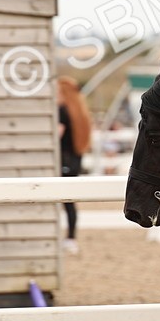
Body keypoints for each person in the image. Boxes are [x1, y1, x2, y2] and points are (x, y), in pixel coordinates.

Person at [58, 77, 92, 254]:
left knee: (63, 201)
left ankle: (68, 238)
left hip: (63, 161)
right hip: (75, 161)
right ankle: (71, 237)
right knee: (70, 202)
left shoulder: (62, 111)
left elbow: (57, 135)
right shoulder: (81, 113)